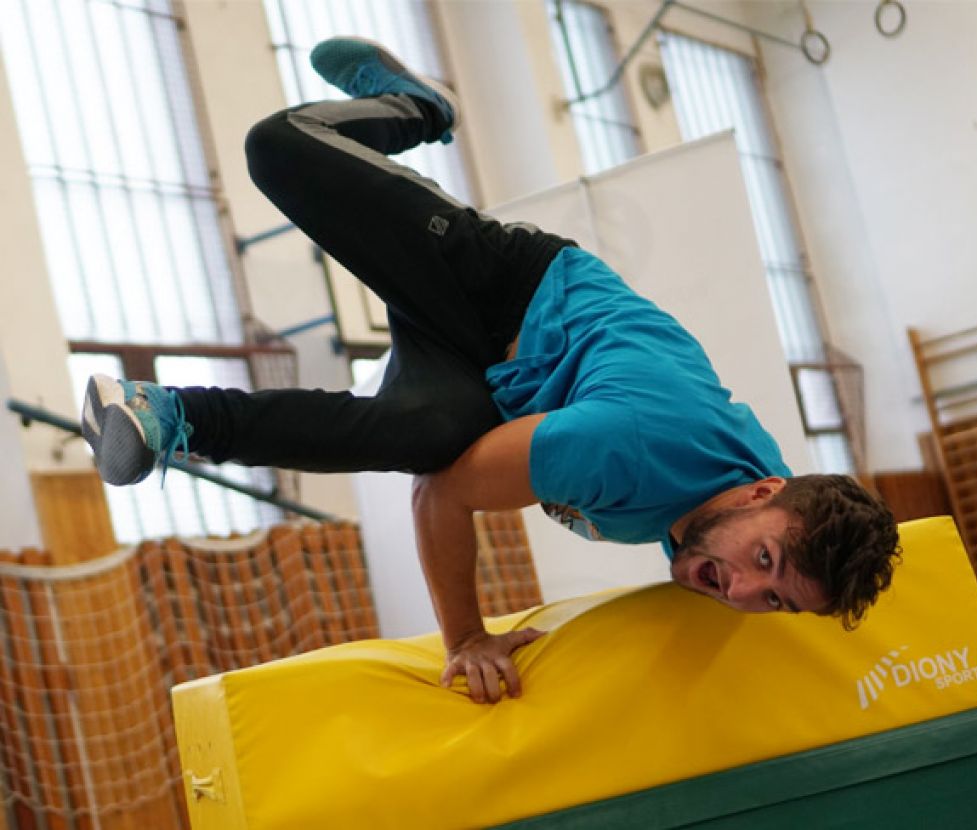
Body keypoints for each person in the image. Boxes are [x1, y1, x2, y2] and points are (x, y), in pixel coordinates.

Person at [80, 37, 899, 704]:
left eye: (776, 601)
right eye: (764, 565)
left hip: (488, 378)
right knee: (278, 148)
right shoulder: (628, 448)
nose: (746, 595)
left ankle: (170, 417)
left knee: (424, 433)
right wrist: (466, 638)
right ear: (760, 493)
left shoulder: (769, 503)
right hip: (504, 290)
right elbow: (444, 492)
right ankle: (417, 105)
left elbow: (814, 527)